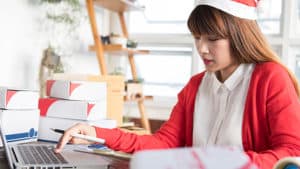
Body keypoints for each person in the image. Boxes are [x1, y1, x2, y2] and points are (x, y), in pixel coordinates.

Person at [55, 0, 300, 168]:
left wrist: (229, 162)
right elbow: (163, 143)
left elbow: (292, 153)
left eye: (213, 39)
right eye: (197, 37)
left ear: (240, 36)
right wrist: (97, 134)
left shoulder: (271, 77)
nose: (202, 48)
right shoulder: (195, 86)